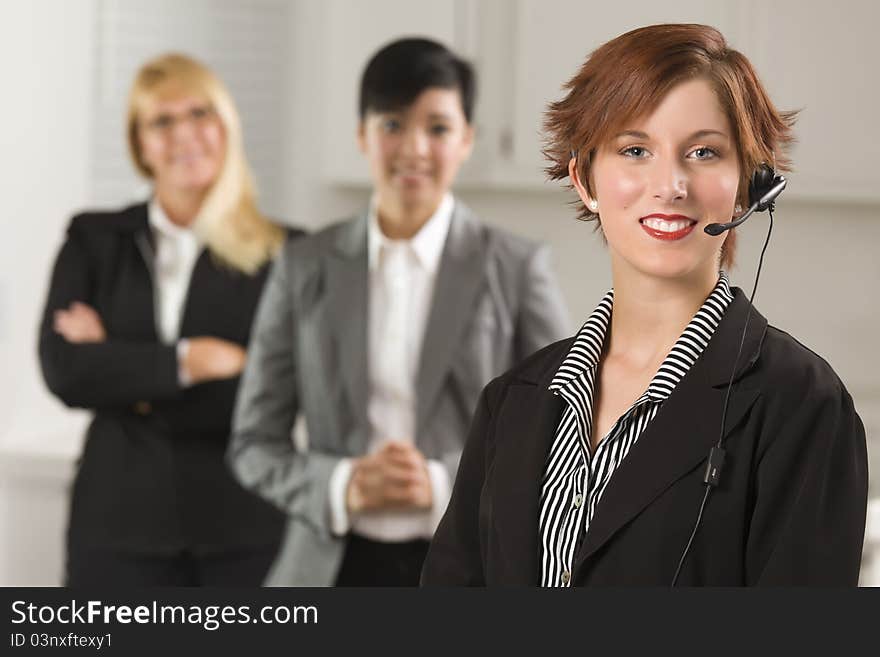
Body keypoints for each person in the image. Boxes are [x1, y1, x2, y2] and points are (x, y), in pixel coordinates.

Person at [421, 23, 868, 586]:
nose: (671, 184)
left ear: (748, 185)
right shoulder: (513, 402)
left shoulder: (803, 405)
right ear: (585, 179)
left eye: (704, 152)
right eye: (635, 150)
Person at [228, 37, 570, 586]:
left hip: (467, 564)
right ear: (362, 135)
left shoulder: (516, 267)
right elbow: (253, 444)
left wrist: (440, 484)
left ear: (466, 140)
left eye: (436, 128)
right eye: (392, 124)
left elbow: (564, 439)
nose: (413, 148)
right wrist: (342, 484)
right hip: (326, 570)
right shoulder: (302, 267)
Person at [39, 53, 292, 586]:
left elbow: (276, 391)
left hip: (241, 530)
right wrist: (194, 360)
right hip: (115, 529)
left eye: (200, 113)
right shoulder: (94, 240)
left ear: (226, 127)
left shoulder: (287, 253)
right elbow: (65, 370)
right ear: (140, 144)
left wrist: (121, 371)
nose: (184, 134)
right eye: (161, 120)